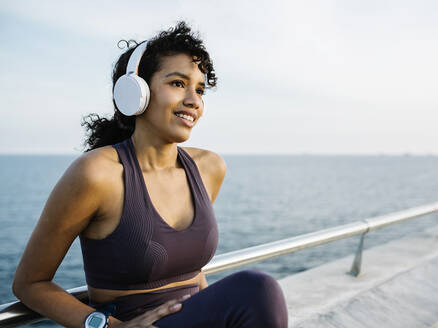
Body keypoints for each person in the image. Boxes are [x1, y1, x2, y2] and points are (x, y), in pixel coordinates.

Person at [12, 21, 288, 327]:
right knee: (256, 289)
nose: (194, 101)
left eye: (199, 89)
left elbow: (194, 273)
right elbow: (30, 283)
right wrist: (108, 326)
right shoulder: (98, 174)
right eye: (177, 84)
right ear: (136, 93)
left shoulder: (209, 168)